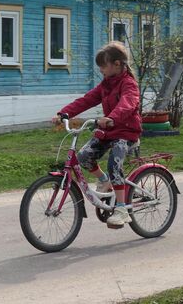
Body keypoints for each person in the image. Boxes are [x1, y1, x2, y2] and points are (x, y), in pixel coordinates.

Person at [52, 41, 142, 228]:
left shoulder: (129, 84)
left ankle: (121, 208)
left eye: (103, 65)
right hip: (109, 131)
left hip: (126, 132)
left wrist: (111, 117)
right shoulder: (106, 85)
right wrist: (64, 113)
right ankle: (104, 181)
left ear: (117, 64)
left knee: (114, 165)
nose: (100, 69)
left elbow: (127, 104)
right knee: (83, 157)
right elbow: (86, 100)